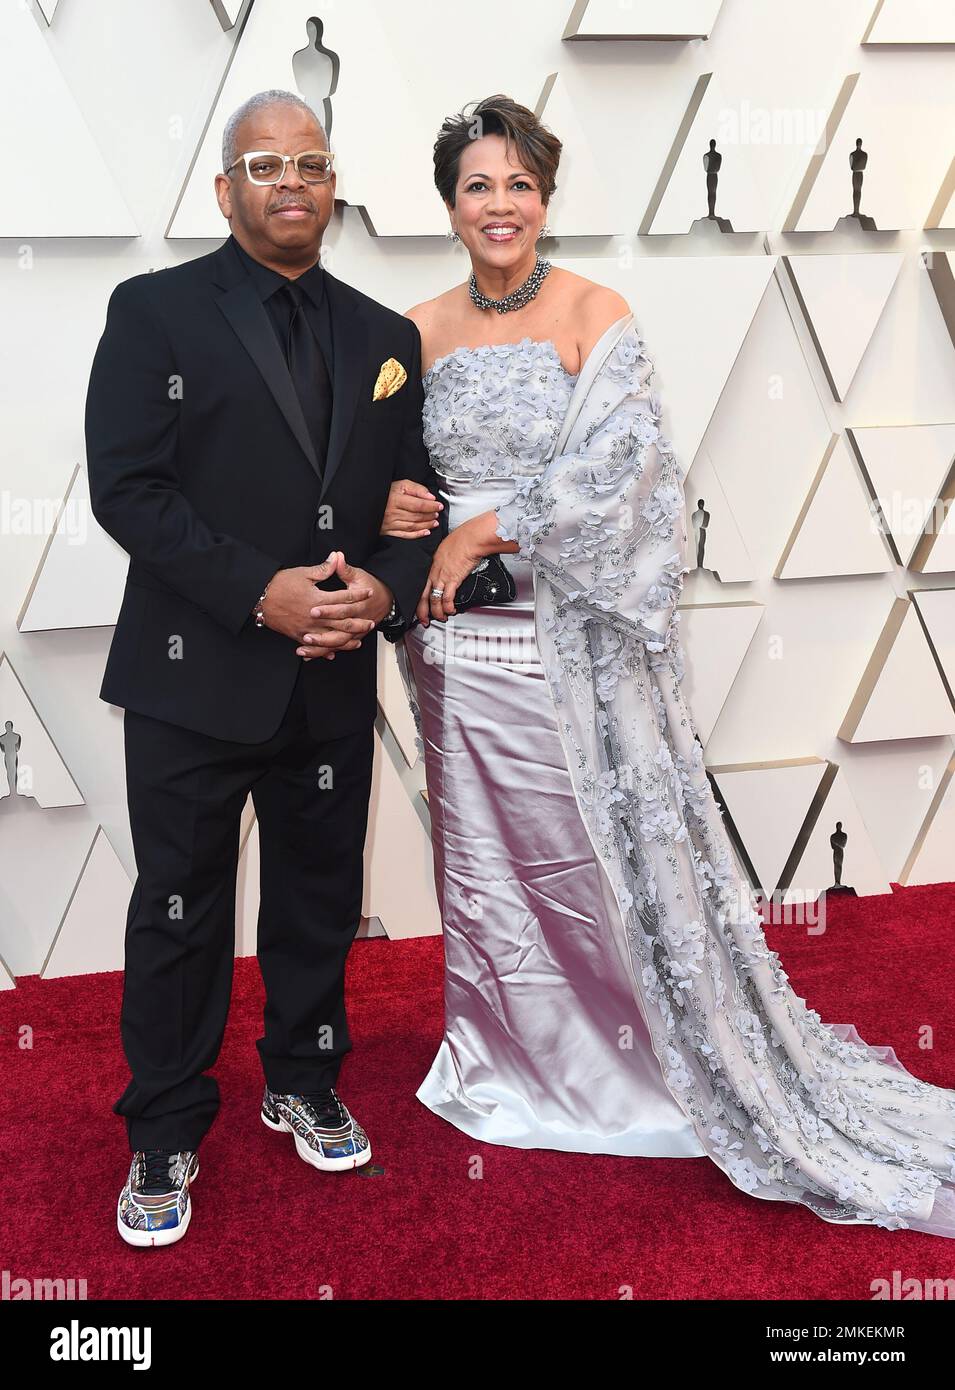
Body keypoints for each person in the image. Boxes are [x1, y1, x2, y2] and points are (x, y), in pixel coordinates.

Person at [378, 94, 955, 1236]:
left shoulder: (599, 313)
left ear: (546, 195)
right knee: (489, 864)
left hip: (574, 639)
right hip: (456, 648)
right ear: (448, 203)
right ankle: (509, 1059)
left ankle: (646, 1061)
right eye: (477, 186)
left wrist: (483, 529)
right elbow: (389, 472)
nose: (500, 206)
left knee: (595, 851)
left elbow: (631, 480)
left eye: (520, 184)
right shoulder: (416, 328)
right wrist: (410, 514)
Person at [85, 89, 441, 1247]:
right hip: (194, 674)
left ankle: (303, 1074)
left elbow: (413, 500)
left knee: (319, 897)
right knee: (181, 910)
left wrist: (383, 588)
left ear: (335, 185)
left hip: (333, 674)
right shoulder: (153, 312)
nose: (292, 181)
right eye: (266, 163)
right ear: (227, 187)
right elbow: (129, 491)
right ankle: (165, 1133)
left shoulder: (387, 339)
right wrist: (261, 590)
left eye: (313, 162)